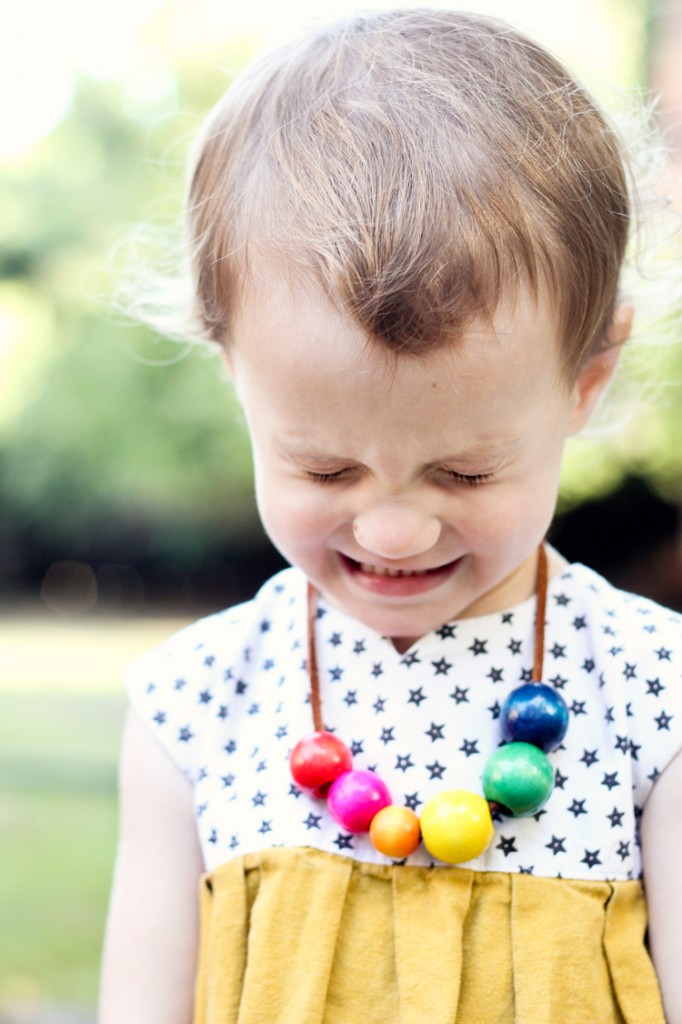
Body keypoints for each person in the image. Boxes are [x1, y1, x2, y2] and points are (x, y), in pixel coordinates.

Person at [99, 9, 682, 1023]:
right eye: (324, 469)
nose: (393, 530)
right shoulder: (193, 709)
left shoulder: (653, 699)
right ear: (233, 368)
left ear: (588, 377)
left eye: (461, 472)